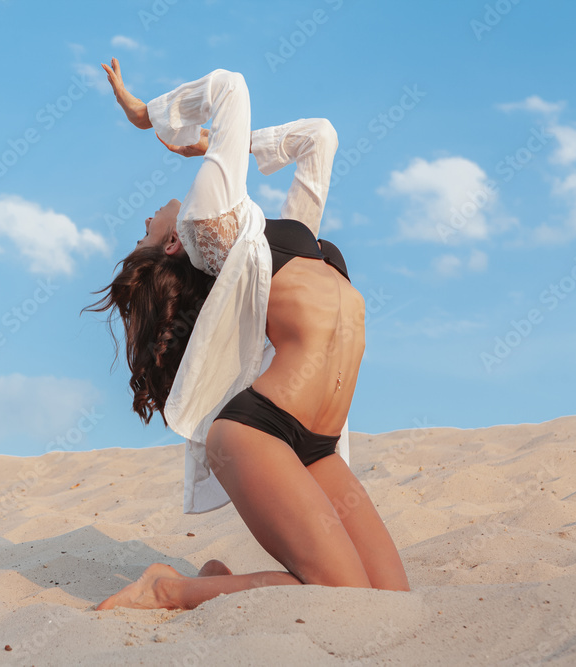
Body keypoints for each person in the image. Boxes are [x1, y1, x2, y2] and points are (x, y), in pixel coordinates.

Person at [85, 60, 409, 610]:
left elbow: (318, 138)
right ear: (171, 246)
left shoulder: (262, 240)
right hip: (261, 432)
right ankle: (169, 588)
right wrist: (153, 118)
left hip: (317, 446)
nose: (145, 219)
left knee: (391, 597)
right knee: (345, 597)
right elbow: (229, 85)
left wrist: (214, 140)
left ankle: (216, 582)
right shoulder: (207, 226)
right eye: (145, 232)